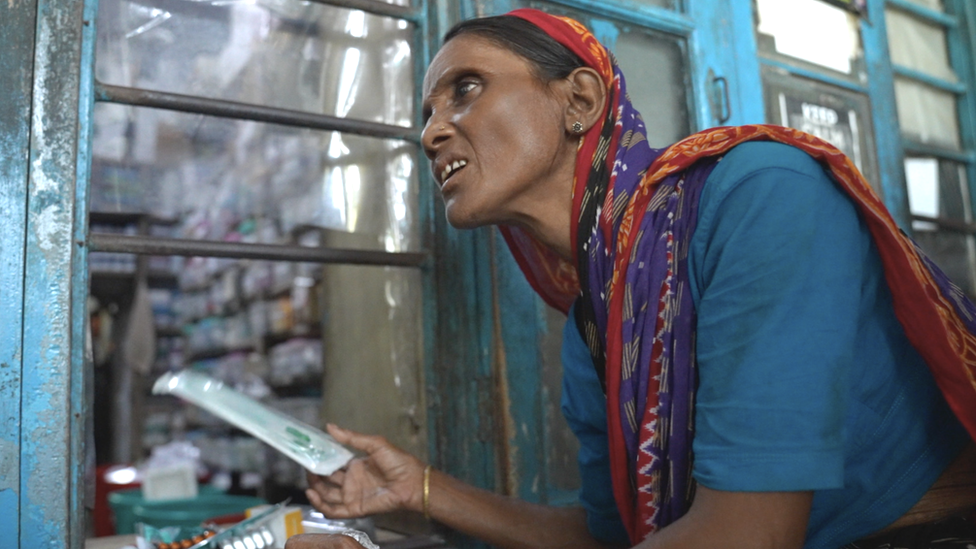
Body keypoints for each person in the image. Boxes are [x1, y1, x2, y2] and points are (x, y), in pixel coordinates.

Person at [285, 9, 976, 549]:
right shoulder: (598, 317)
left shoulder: (763, 196)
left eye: (465, 89)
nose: (432, 133)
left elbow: (745, 535)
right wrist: (424, 489)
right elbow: (612, 537)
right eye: (425, 115)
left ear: (579, 100)